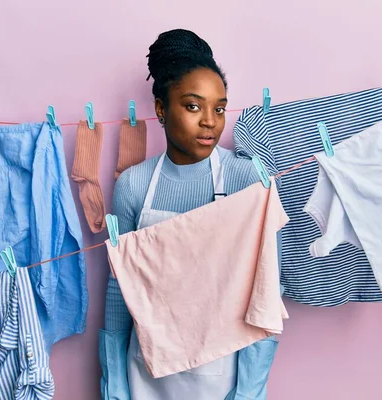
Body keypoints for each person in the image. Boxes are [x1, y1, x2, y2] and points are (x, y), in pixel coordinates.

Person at [99, 29, 280, 400]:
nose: (210, 122)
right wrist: (114, 385)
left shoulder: (245, 177)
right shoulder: (134, 186)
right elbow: (120, 289)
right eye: (194, 106)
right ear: (162, 109)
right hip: (146, 372)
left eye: (219, 108)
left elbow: (267, 288)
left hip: (223, 372)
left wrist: (248, 393)